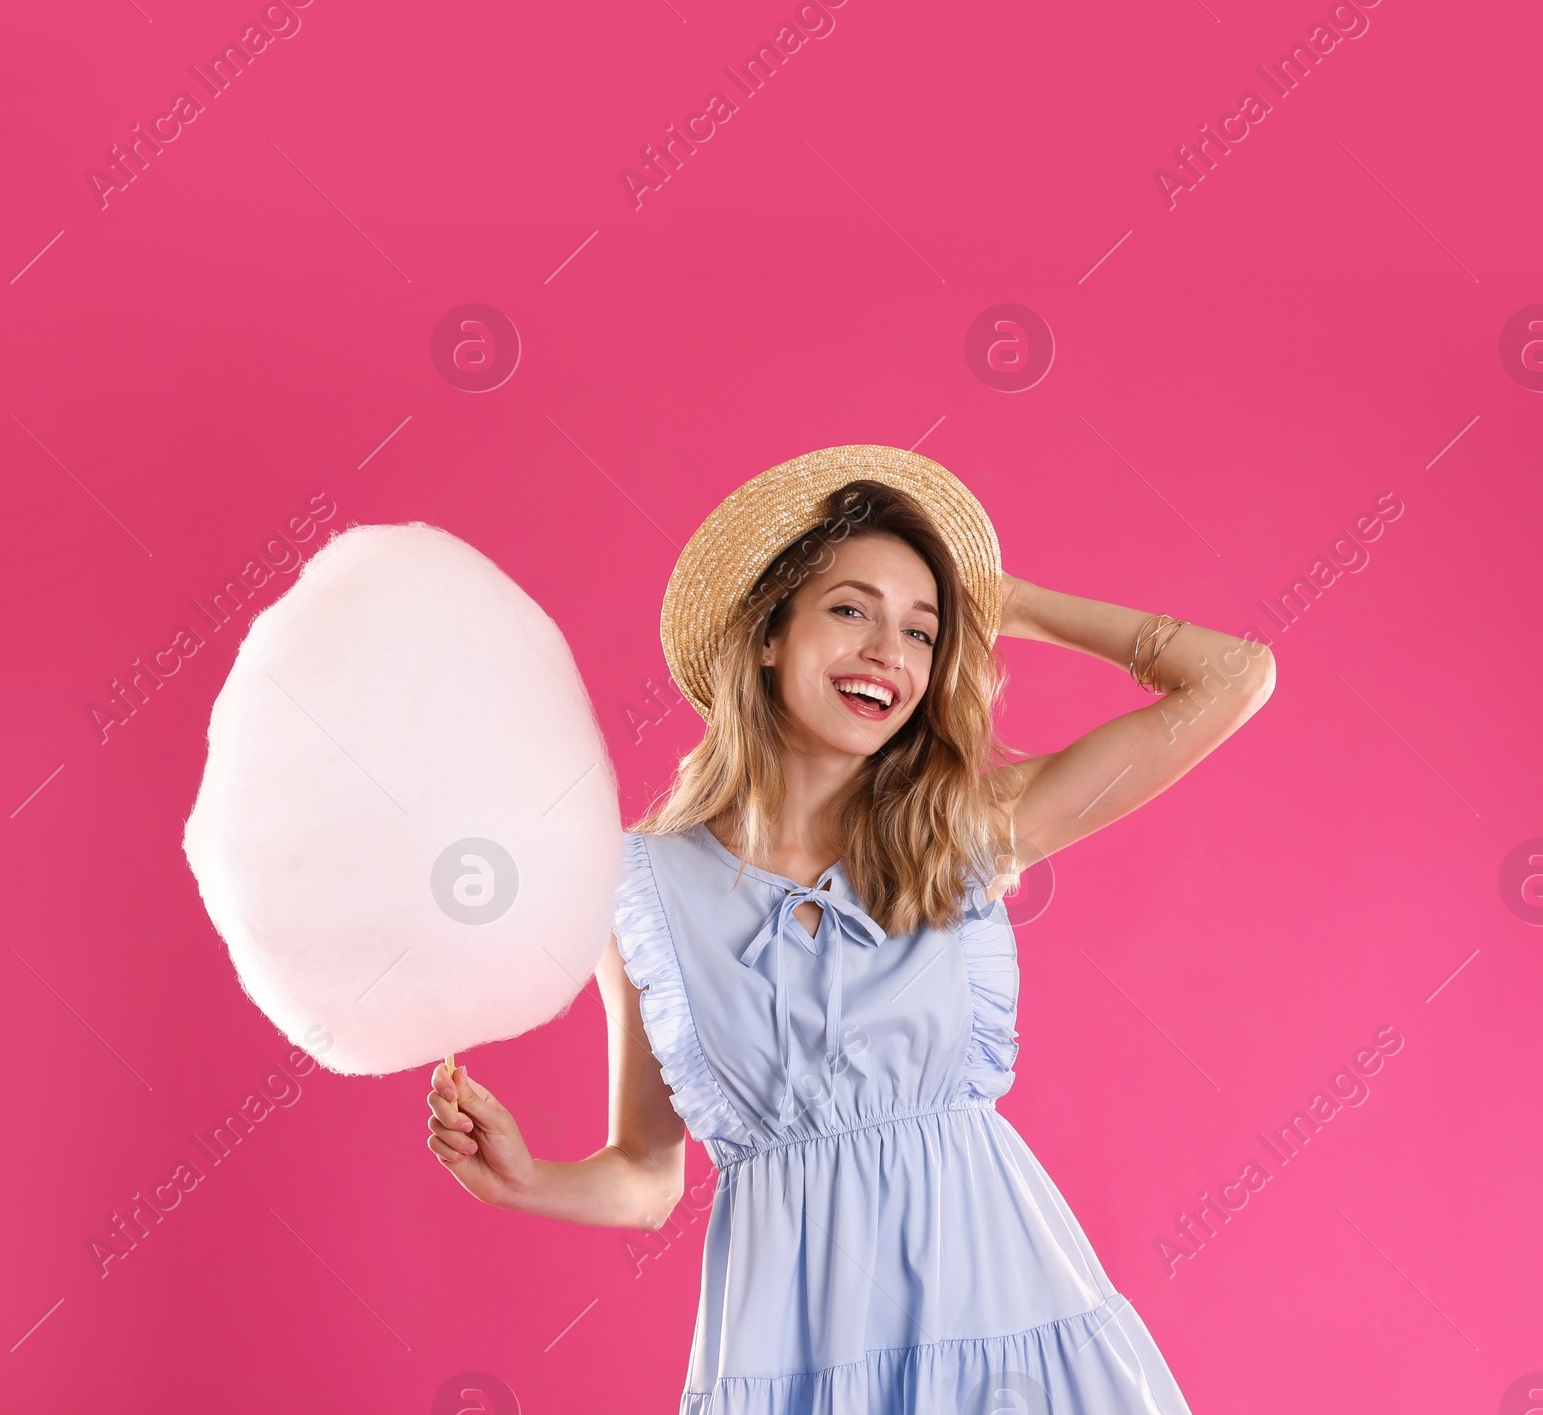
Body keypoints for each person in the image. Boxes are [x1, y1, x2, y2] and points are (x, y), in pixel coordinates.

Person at [424, 446, 1276, 1413]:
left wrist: (1011, 602)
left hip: (1003, 1332)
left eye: (922, 632)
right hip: (792, 1351)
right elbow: (647, 1177)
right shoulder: (640, 893)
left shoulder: (965, 833)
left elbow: (1234, 675)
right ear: (767, 636)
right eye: (850, 609)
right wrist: (524, 1179)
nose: (889, 652)